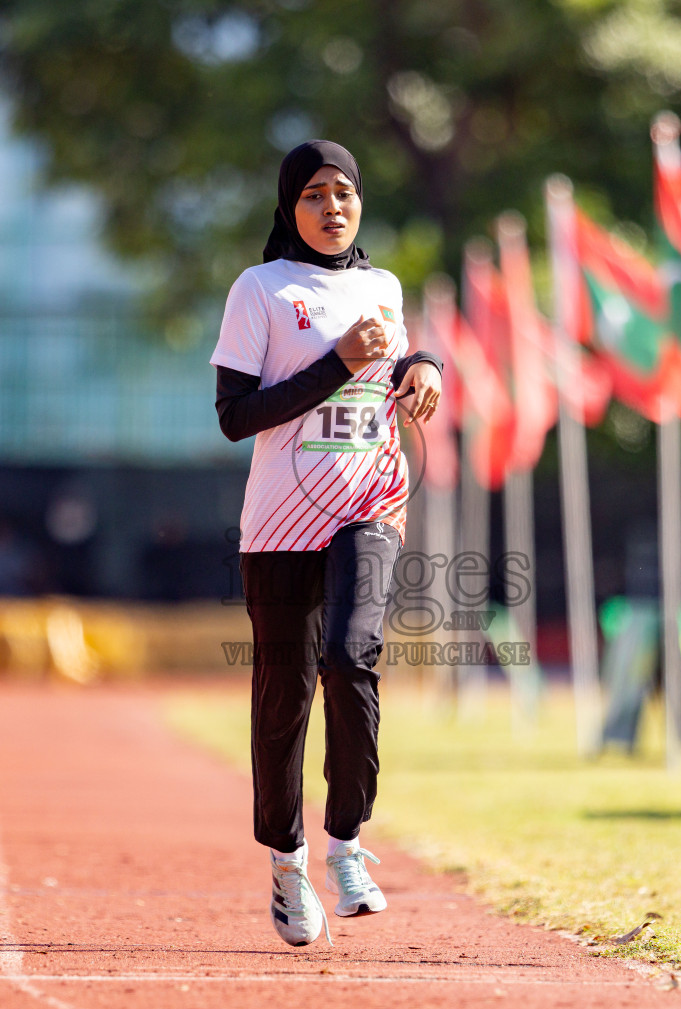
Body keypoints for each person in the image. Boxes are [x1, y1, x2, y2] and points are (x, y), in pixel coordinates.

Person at [211, 141, 442, 947]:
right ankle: (286, 861)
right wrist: (337, 367)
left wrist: (424, 367)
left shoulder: (381, 285)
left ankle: (346, 844)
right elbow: (235, 415)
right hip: (279, 523)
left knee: (353, 656)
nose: (332, 207)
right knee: (285, 693)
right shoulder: (261, 290)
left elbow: (392, 359)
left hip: (369, 502)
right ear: (290, 208)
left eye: (344, 192)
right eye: (314, 194)